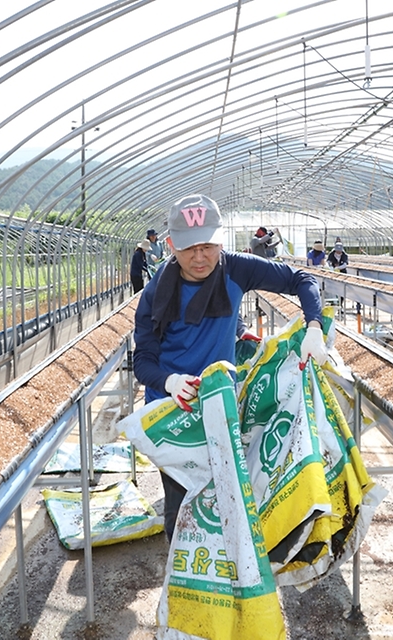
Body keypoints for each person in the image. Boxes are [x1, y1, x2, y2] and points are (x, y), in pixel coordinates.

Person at [133, 193, 328, 541]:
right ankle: (184, 579)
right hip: (171, 413)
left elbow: (302, 280)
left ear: (221, 240)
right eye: (189, 248)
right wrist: (170, 381)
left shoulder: (235, 268)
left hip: (221, 404)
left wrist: (314, 327)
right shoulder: (156, 292)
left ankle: (230, 575)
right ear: (170, 245)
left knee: (228, 496)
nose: (200, 257)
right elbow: (143, 361)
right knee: (180, 507)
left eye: (208, 246)